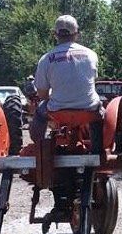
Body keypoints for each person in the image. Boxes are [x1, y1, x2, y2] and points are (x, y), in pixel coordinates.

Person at [31, 15, 102, 146]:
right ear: (77, 34)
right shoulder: (91, 55)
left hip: (58, 110)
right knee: (99, 115)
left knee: (40, 109)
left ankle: (39, 147)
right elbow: (92, 80)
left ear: (55, 34)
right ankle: (97, 149)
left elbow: (42, 94)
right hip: (88, 108)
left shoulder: (46, 58)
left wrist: (50, 100)